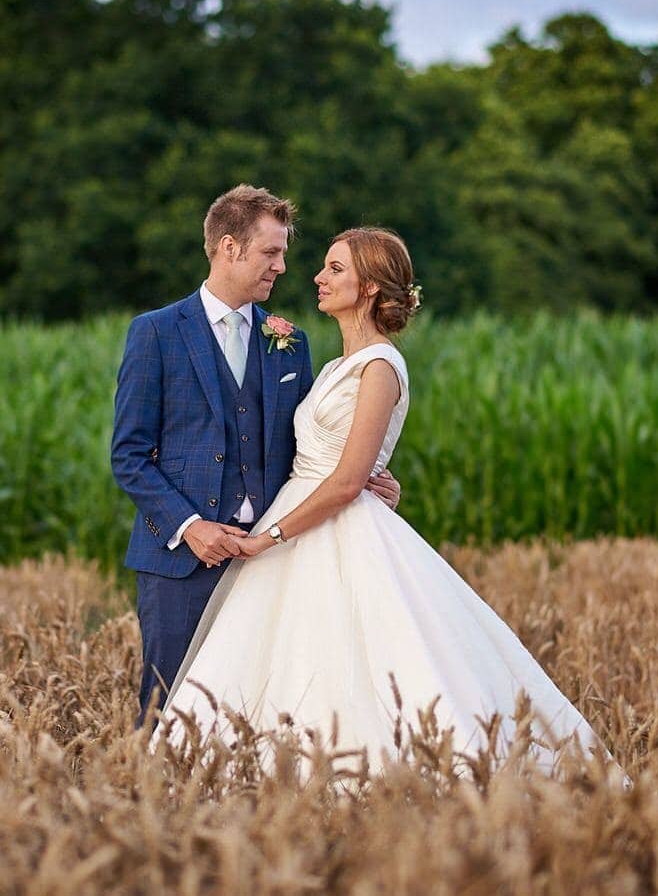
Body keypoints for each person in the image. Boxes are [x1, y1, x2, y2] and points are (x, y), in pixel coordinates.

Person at [157, 226, 614, 777]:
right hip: (302, 520)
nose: (317, 277)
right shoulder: (332, 365)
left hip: (329, 528)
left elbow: (349, 481)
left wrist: (267, 537)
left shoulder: (380, 365)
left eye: (334, 269)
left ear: (370, 286)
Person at [111, 186, 401, 725]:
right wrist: (193, 527)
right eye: (271, 253)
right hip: (180, 564)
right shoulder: (155, 333)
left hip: (273, 563)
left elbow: (314, 445)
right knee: (168, 716)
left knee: (261, 717)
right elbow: (128, 456)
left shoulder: (288, 340)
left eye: (284, 253)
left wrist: (366, 478)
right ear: (229, 247)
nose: (283, 267)